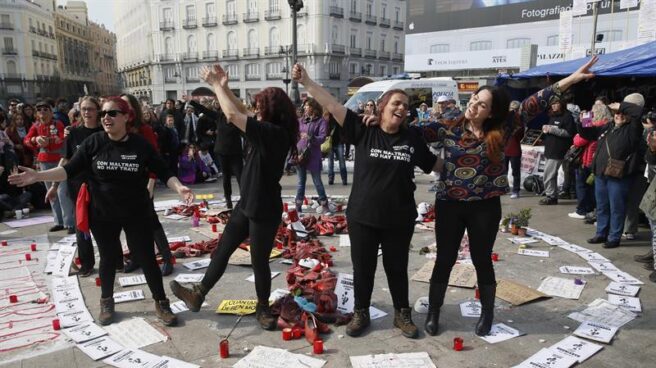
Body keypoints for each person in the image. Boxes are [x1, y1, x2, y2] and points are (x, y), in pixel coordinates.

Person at [418, 57, 598, 337]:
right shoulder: (448, 124)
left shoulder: (502, 128)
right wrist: (378, 120)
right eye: (474, 99)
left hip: (485, 208)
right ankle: (434, 312)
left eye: (481, 104)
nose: (473, 105)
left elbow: (536, 101)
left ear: (491, 112)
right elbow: (411, 134)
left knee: (481, 259)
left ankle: (487, 314)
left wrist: (571, 79)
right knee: (444, 259)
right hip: (450, 204)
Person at [9, 96, 192, 326]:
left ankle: (161, 302)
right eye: (104, 113)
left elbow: (164, 171)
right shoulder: (94, 142)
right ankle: (106, 301)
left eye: (112, 113)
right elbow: (69, 170)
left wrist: (180, 187)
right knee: (107, 258)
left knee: (146, 257)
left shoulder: (140, 145)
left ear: (126, 117)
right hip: (102, 213)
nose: (106, 117)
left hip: (136, 212)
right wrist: (38, 176)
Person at [294, 63, 440, 339]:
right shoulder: (363, 130)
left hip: (399, 218)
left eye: (405, 106)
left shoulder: (412, 139)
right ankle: (361, 312)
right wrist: (308, 82)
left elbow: (436, 165)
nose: (401, 108)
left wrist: (473, 166)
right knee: (364, 269)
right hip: (363, 217)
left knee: (396, 269)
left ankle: (402, 314)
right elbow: (334, 105)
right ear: (382, 107)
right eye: (396, 103)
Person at [170, 64, 297, 331]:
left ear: (272, 110)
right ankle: (199, 293)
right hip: (246, 203)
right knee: (222, 251)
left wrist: (214, 84)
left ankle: (263, 307)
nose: (256, 110)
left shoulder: (274, 134)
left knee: (259, 261)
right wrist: (225, 86)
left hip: (264, 208)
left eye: (261, 106)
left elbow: (231, 113)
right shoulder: (264, 127)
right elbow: (241, 110)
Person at [46, 96, 103, 277]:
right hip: (77, 186)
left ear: (98, 111)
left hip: (102, 187)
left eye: (91, 109)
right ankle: (87, 264)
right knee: (81, 227)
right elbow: (65, 160)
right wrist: (54, 185)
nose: (87, 113)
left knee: (105, 227)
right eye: (84, 109)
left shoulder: (106, 131)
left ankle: (114, 260)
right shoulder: (74, 133)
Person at [120, 93, 176, 276]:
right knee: (128, 222)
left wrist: (151, 183)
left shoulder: (144, 130)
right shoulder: (116, 129)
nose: (123, 108)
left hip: (143, 181)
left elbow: (155, 158)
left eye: (127, 105)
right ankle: (136, 257)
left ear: (133, 109)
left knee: (151, 221)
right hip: (124, 183)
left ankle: (167, 258)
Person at [583, 93, 645, 249]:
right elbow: (587, 134)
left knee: (616, 207)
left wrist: (621, 106)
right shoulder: (609, 127)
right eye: (617, 114)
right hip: (601, 174)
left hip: (618, 175)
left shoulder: (633, 130)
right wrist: (584, 120)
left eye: (622, 114)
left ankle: (614, 236)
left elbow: (638, 113)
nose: (619, 116)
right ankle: (601, 233)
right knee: (602, 205)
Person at [23, 101, 75, 233]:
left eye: (46, 109)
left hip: (59, 160)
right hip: (44, 161)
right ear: (36, 113)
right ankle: (59, 221)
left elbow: (64, 138)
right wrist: (36, 140)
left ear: (51, 112)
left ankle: (69, 223)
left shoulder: (58, 124)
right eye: (39, 110)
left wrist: (56, 139)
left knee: (62, 191)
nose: (43, 112)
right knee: (51, 193)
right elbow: (27, 140)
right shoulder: (36, 126)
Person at [189, 99, 243, 209]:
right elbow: (204, 109)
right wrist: (191, 101)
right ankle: (228, 200)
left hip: (235, 153)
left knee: (240, 176)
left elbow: (246, 133)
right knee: (226, 177)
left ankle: (245, 198)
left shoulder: (238, 120)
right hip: (222, 152)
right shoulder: (219, 117)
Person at [568, 104, 611, 220]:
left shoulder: (595, 126)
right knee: (593, 189)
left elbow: (578, 140)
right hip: (595, 160)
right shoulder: (608, 125)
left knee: (583, 187)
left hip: (588, 161)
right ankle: (592, 211)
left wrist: (582, 124)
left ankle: (582, 210)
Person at [295, 98, 330, 213]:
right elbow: (295, 135)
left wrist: (310, 137)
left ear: (314, 108)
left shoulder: (321, 121)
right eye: (304, 106)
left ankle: (324, 204)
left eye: (307, 106)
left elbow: (322, 137)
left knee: (317, 181)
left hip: (313, 155)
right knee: (301, 182)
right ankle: (298, 205)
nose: (305, 108)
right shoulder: (300, 120)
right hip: (300, 154)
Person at [539, 98, 576, 205]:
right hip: (549, 149)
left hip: (558, 150)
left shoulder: (567, 116)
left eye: (556, 104)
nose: (554, 106)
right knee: (550, 174)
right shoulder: (552, 116)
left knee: (548, 174)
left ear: (562, 104)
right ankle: (552, 195)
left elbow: (569, 133)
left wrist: (551, 129)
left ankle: (550, 196)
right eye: (552, 104)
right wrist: (546, 130)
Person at [505, 100, 524, 199]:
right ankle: (505, 188)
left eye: (514, 110)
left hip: (514, 149)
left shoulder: (519, 121)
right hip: (504, 149)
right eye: (511, 109)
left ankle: (516, 190)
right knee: (504, 171)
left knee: (515, 171)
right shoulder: (504, 120)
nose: (512, 112)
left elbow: (520, 135)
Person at [325, 110, 347, 186]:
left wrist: (343, 139)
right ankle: (331, 178)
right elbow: (324, 130)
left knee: (341, 161)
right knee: (330, 162)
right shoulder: (327, 117)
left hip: (339, 142)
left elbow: (344, 129)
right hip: (330, 143)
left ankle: (344, 178)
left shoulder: (340, 117)